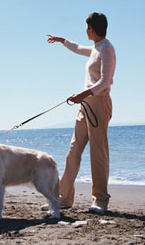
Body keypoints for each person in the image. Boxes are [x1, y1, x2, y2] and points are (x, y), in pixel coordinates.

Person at [47, 12, 116, 214]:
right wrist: (62, 41)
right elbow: (78, 48)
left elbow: (105, 82)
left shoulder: (107, 49)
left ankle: (100, 200)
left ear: (92, 29)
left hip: (98, 103)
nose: (85, 31)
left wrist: (83, 94)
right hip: (84, 104)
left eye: (86, 27)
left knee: (98, 153)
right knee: (73, 150)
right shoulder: (96, 48)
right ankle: (63, 197)